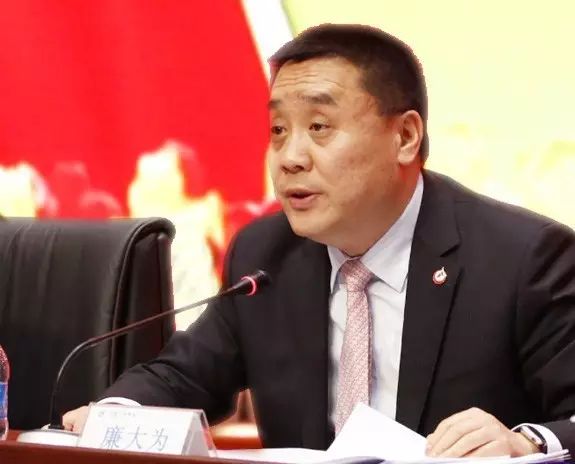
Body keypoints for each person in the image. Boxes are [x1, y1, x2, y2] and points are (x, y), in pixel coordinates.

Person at [63, 24, 575, 457]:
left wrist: (525, 442)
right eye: (278, 130)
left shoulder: (523, 260)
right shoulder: (266, 255)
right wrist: (113, 414)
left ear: (405, 137)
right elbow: (182, 376)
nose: (290, 157)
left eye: (319, 126)